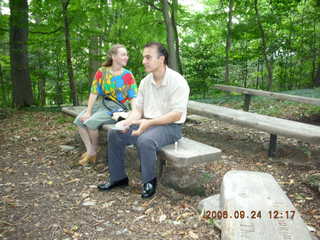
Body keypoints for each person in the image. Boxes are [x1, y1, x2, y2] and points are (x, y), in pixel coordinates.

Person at [97, 42, 190, 199]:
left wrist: (148, 123)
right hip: (147, 122)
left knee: (145, 140)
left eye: (148, 57)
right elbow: (138, 110)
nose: (143, 61)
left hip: (171, 127)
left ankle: (149, 182)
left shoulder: (177, 81)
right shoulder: (146, 82)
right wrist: (127, 122)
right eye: (143, 57)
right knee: (115, 134)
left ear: (161, 59)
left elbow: (176, 114)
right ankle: (118, 178)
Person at [73, 44, 138, 166]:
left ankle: (94, 150)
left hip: (118, 108)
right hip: (102, 103)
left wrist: (133, 114)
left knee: (91, 123)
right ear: (113, 56)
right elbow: (93, 92)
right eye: (123, 54)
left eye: (126, 54)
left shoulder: (127, 75)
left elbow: (133, 96)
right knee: (79, 121)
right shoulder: (101, 72)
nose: (126, 57)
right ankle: (90, 150)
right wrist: (88, 111)